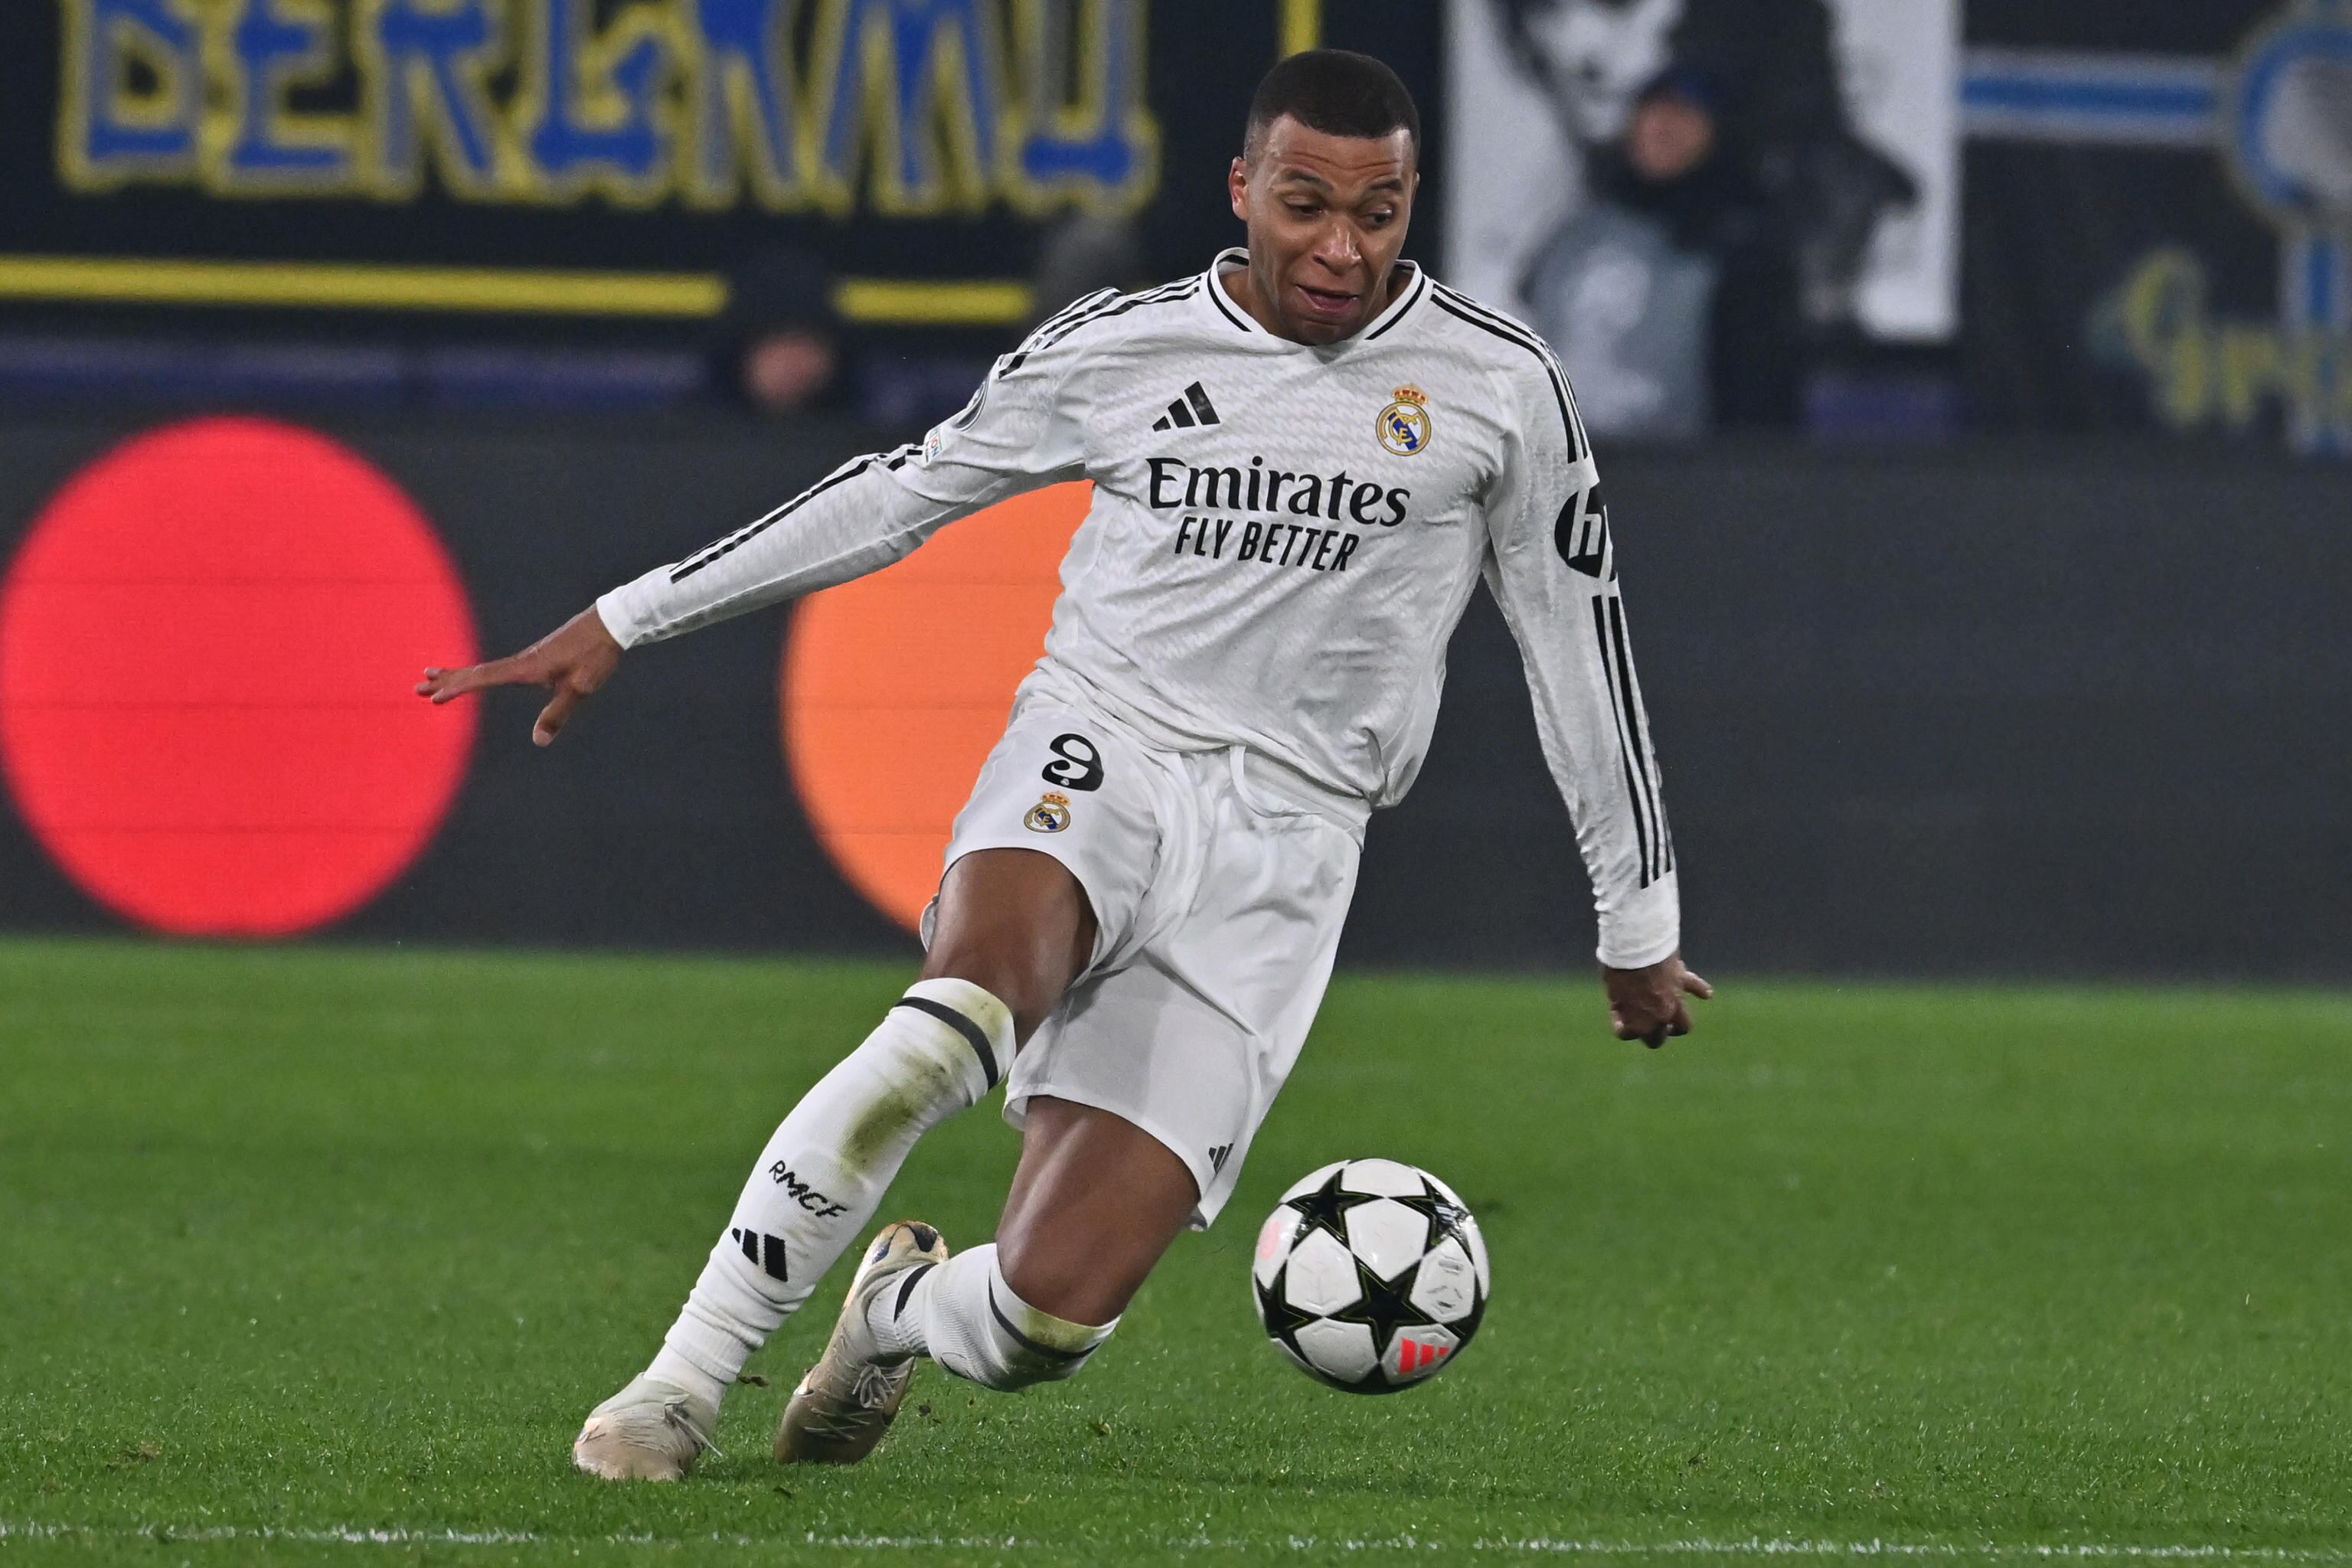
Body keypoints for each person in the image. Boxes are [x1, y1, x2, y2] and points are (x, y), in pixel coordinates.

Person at [416, 49, 1709, 1482]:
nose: (1341, 247)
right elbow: (901, 495)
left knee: (1048, 1320)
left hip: (1290, 847)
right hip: (1108, 748)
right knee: (946, 1026)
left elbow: (1579, 644)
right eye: (1304, 204)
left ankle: (896, 1313)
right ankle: (681, 1382)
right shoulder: (1123, 347)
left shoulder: (1500, 388)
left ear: (1415, 208)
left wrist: (1635, 923)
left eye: (1380, 212)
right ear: (1241, 190)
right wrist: (631, 615)